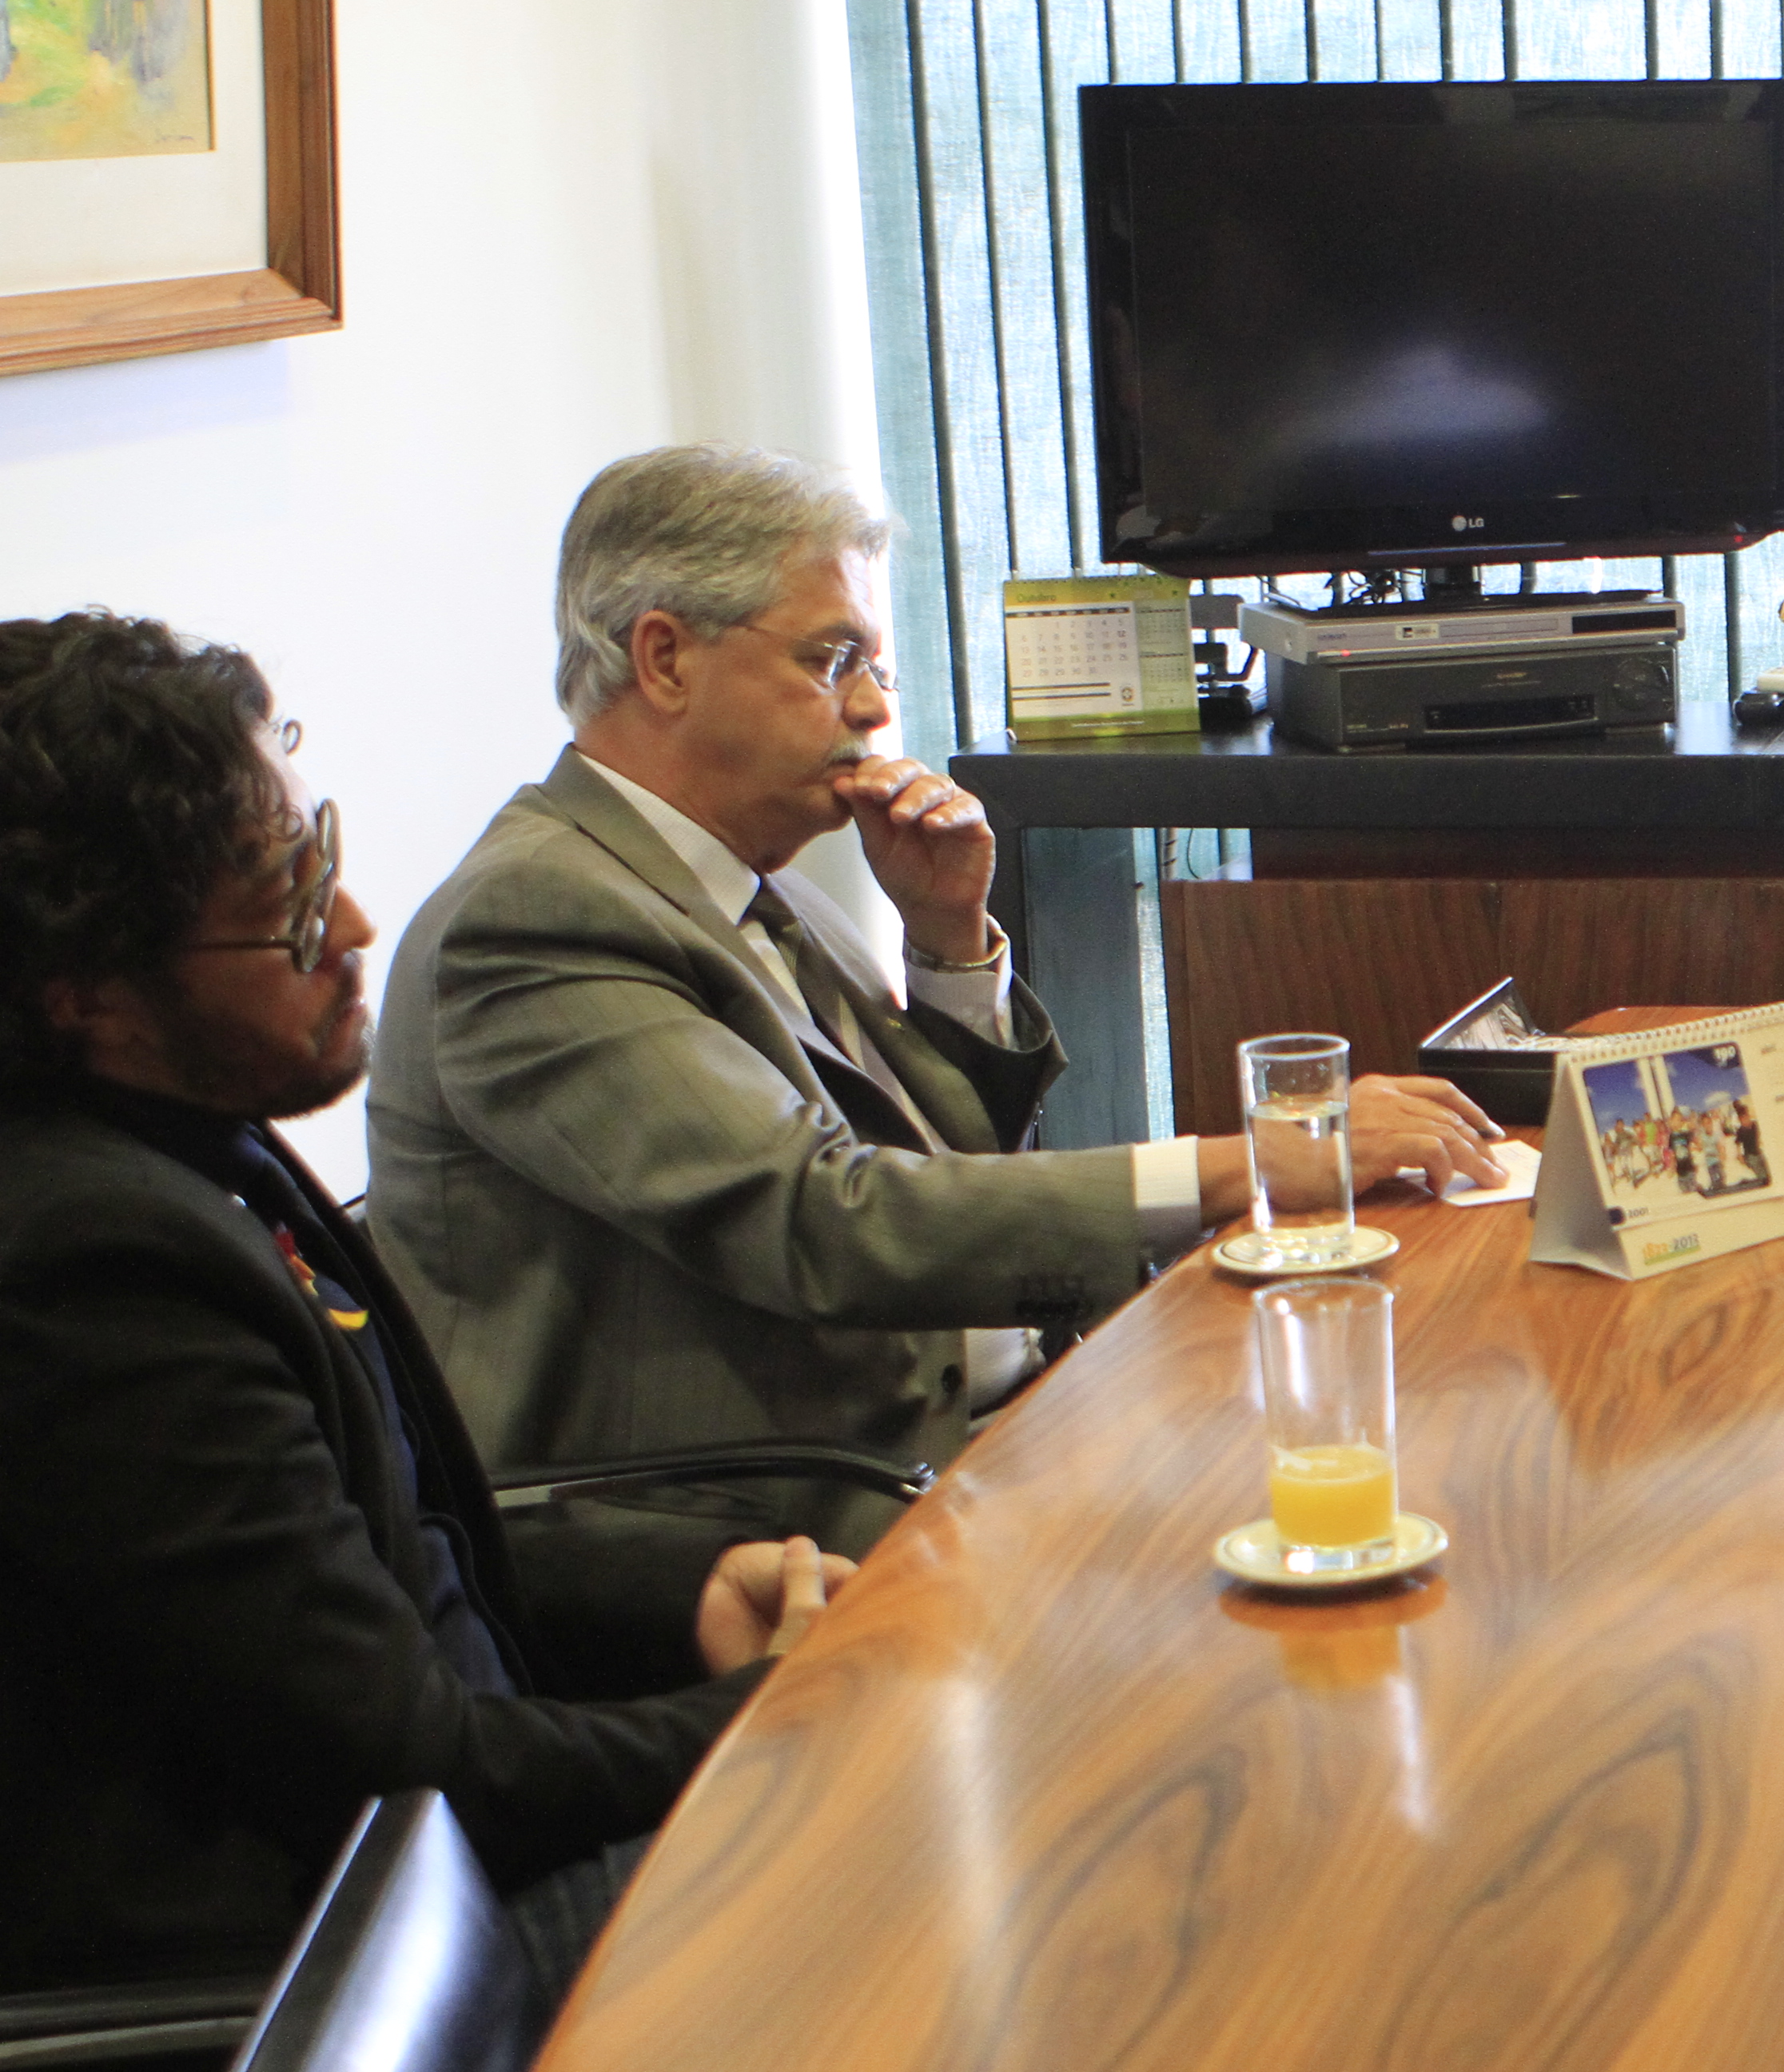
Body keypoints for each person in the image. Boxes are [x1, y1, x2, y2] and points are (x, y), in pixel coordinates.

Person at [366, 446, 1504, 1652]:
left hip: (994, 1432)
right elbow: (825, 1223)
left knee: (1431, 1459)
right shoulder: (535, 918)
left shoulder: (754, 884)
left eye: (877, 668)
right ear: (665, 659)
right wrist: (1258, 1165)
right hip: (778, 1533)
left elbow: (947, 1167)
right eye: (831, 661)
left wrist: (949, 944)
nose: (872, 710)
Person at [0, 611, 842, 2010]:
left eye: (316, 857)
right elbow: (411, 1776)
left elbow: (376, 1546)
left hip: (446, 1870)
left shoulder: (188, 1152)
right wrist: (776, 1714)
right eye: (286, 903)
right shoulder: (88, 1271)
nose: (349, 928)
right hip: (332, 2000)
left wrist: (677, 1594)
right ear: (86, 996)